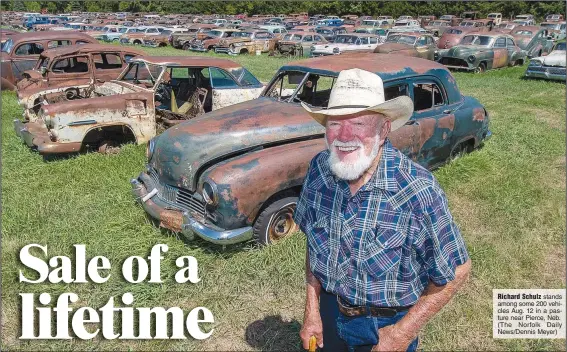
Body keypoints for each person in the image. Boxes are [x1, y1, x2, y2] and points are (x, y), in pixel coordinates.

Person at [294, 68, 471, 352]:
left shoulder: (417, 190)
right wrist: (312, 310)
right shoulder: (319, 171)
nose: (345, 135)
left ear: (384, 129)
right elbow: (314, 249)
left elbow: (458, 270)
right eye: (335, 124)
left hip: (385, 326)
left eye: (359, 124)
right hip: (328, 309)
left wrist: (402, 334)